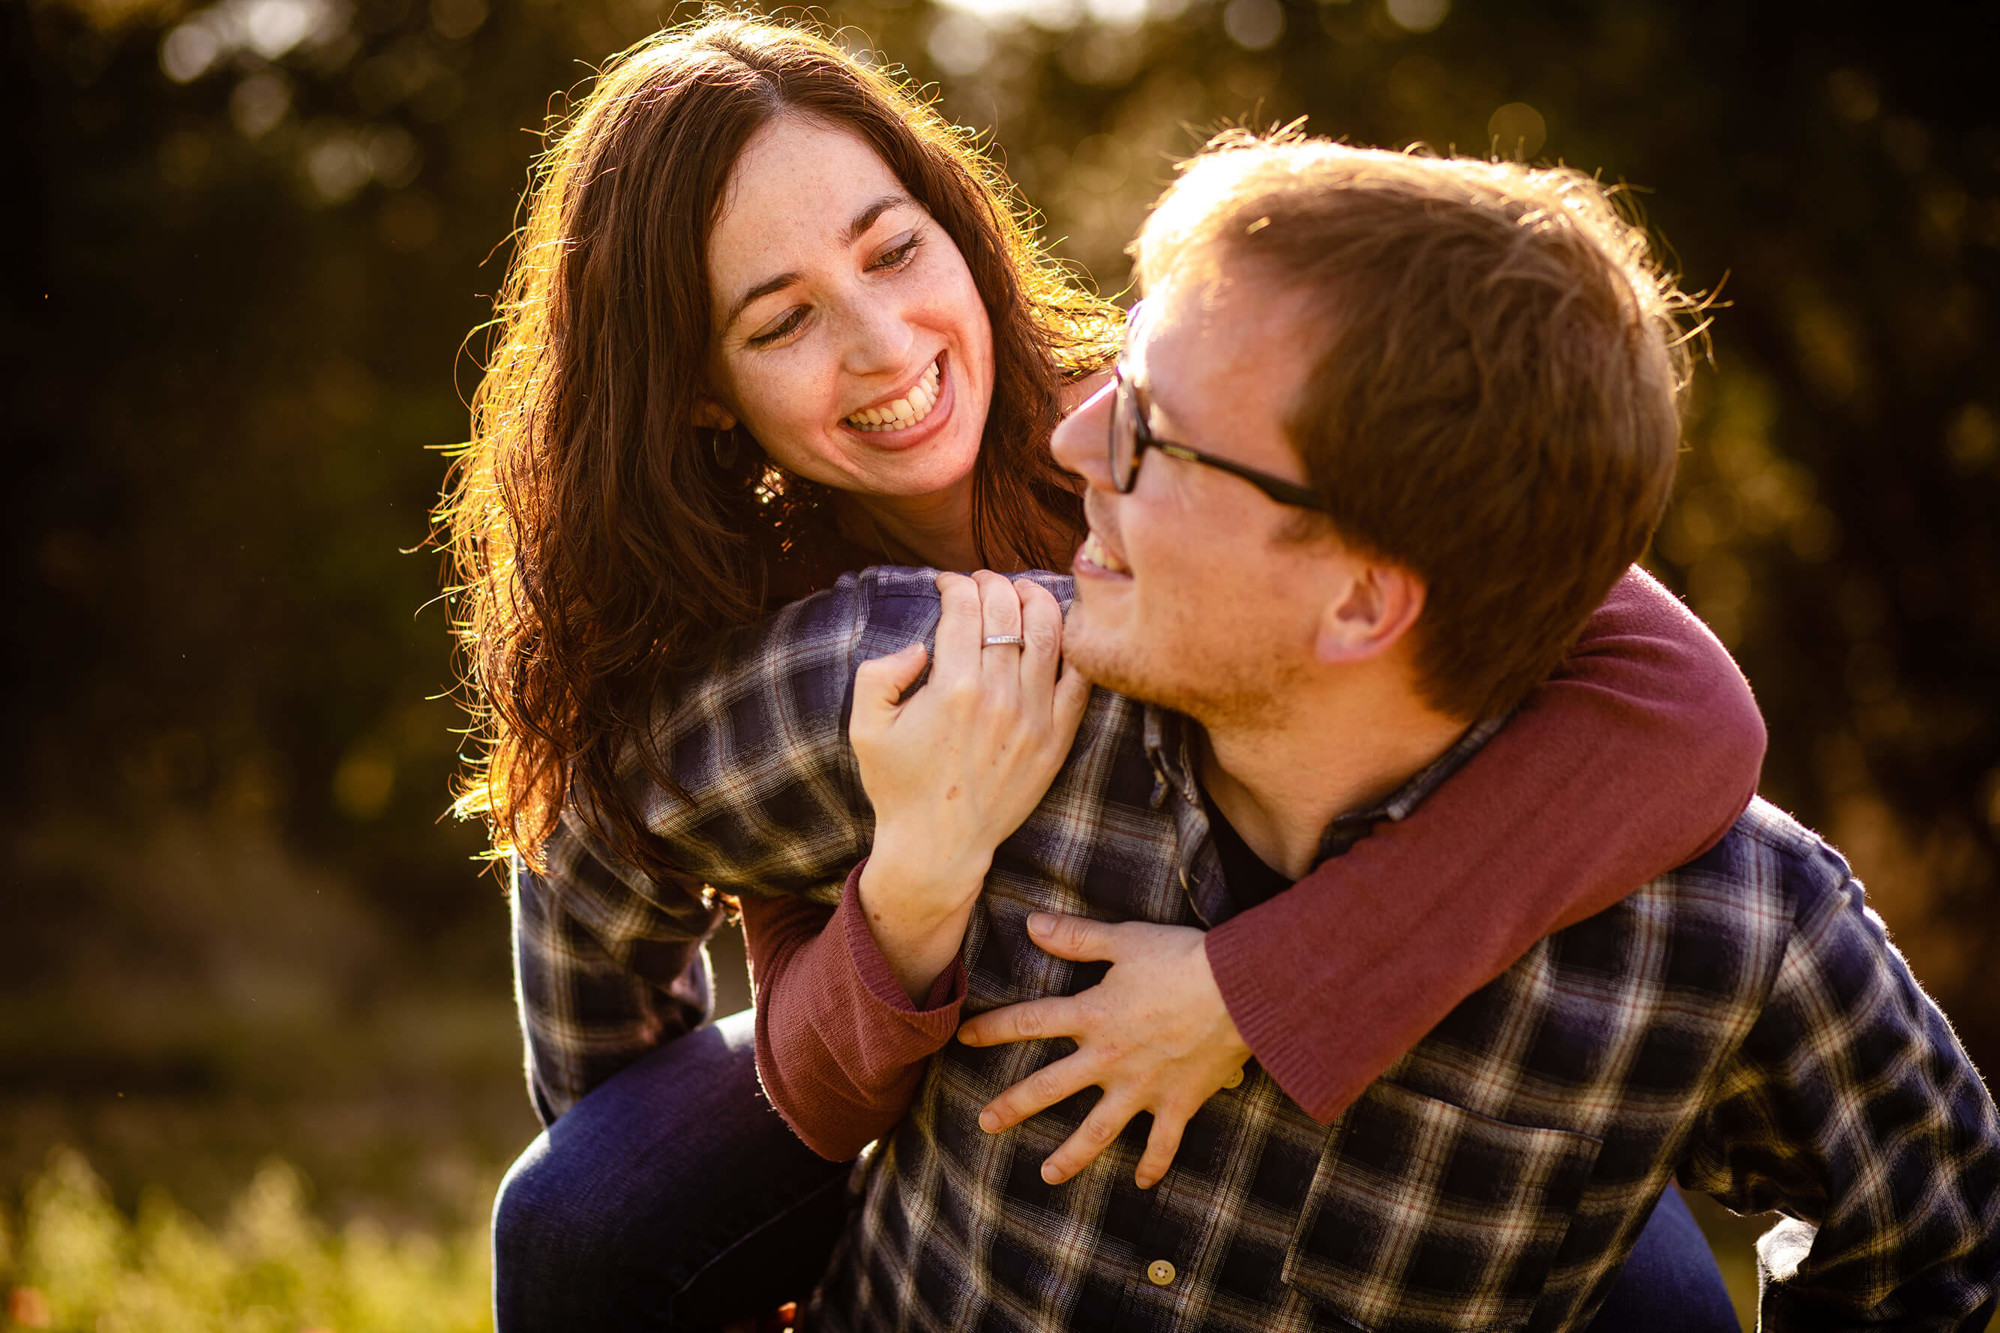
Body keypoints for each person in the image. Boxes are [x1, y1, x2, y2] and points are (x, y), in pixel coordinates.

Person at [491, 126, 2000, 1329]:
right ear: (701, 392)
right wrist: (906, 906)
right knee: (587, 1207)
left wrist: (1261, 987)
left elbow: (1690, 707)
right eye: (784, 319)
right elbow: (599, 820)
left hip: (1495, 1125)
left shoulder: (1723, 913)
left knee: (1611, 1218)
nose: (1087, 443)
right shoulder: (912, 658)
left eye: (894, 249)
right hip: (931, 1198)